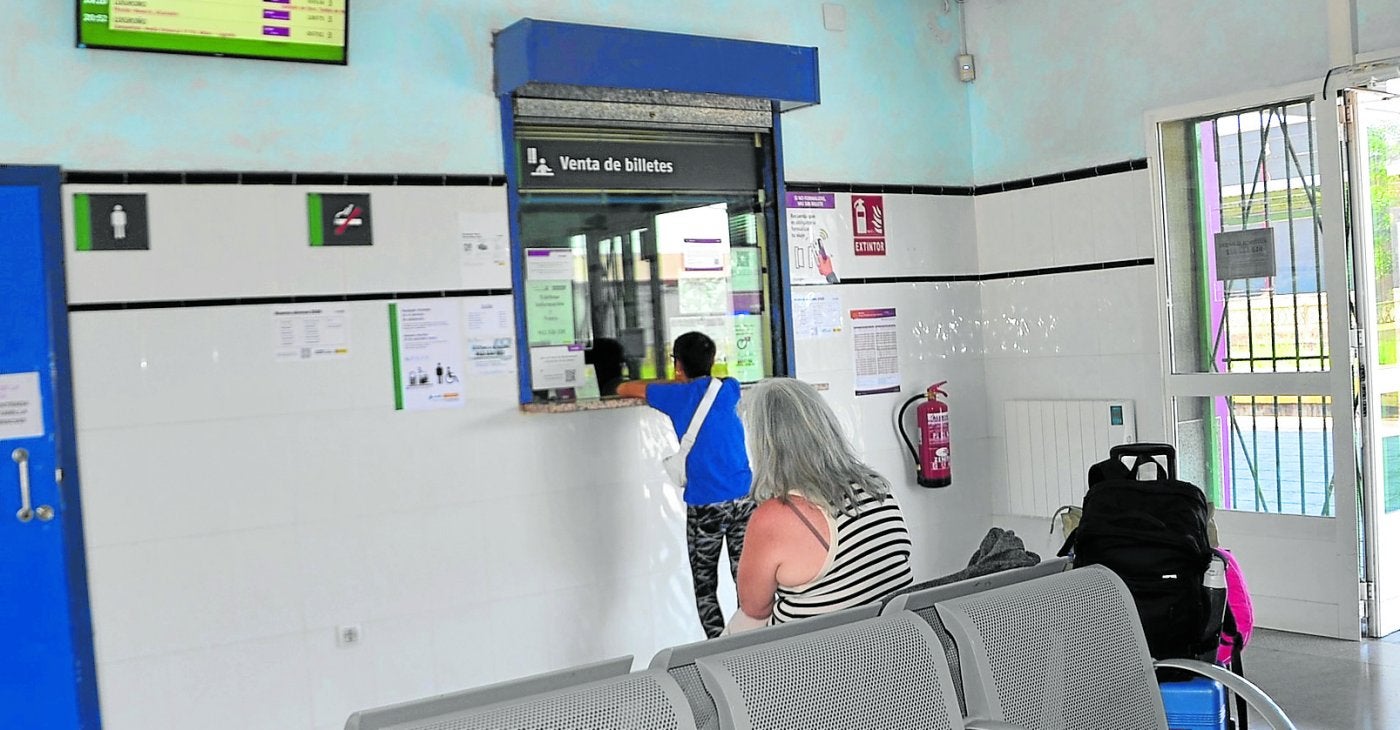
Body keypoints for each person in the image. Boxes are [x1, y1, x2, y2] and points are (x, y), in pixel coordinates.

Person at [727, 377, 913, 633]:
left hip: (818, 664)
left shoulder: (776, 517)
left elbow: (754, 608)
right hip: (897, 650)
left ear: (764, 445)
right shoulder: (878, 488)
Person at [617, 332, 754, 638]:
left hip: (706, 505)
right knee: (745, 577)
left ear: (678, 365)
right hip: (744, 498)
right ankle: (755, 638)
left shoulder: (676, 397)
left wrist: (673, 380)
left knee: (705, 586)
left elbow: (625, 387)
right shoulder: (728, 388)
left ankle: (720, 647)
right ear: (714, 361)